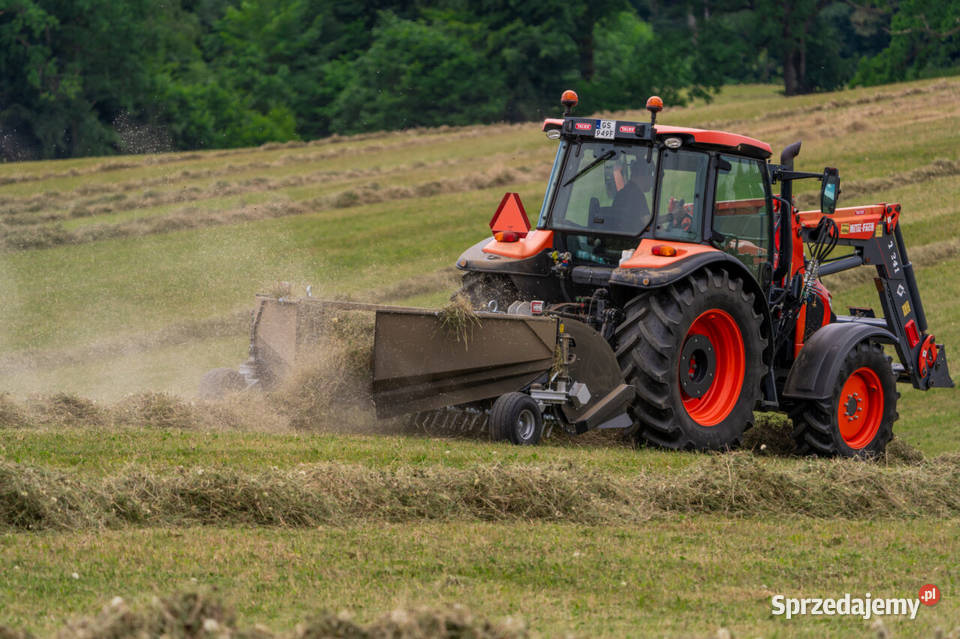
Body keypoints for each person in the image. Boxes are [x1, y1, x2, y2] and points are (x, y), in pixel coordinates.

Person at [612, 160, 654, 228]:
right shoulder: (636, 195)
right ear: (642, 175)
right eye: (651, 175)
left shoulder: (623, 192)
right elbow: (648, 222)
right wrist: (671, 216)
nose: (652, 180)